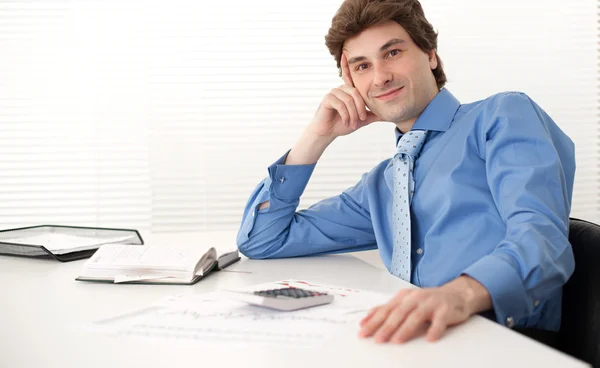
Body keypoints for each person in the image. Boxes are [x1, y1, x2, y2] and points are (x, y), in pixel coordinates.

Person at [236, 0, 576, 345]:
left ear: (430, 54)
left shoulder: (501, 116)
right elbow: (263, 240)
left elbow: (541, 239)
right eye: (362, 65)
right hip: (410, 344)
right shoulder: (383, 185)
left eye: (393, 53)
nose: (380, 77)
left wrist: (458, 295)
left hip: (506, 344)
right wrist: (316, 138)